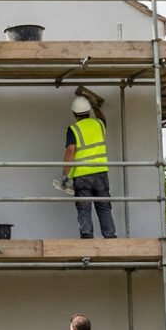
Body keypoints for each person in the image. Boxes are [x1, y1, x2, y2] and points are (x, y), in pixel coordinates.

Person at [59, 95, 117, 238]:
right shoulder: (99, 124)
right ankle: (110, 237)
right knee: (104, 206)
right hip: (100, 173)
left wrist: (65, 175)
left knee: (84, 207)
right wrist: (95, 105)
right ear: (89, 111)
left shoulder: (73, 129)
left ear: (74, 113)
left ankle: (87, 238)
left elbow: (70, 151)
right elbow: (103, 118)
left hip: (82, 175)